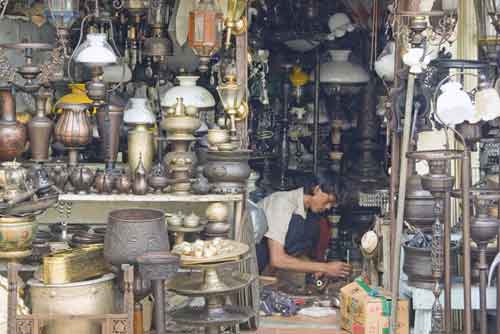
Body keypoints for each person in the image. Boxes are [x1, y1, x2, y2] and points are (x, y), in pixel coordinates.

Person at [256, 179, 352, 278]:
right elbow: (277, 259)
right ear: (317, 189)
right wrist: (325, 267)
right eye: (329, 201)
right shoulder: (282, 203)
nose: (328, 207)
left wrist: (315, 268)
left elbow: (296, 253)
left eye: (332, 205)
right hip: (250, 266)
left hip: (268, 274)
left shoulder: (308, 215)